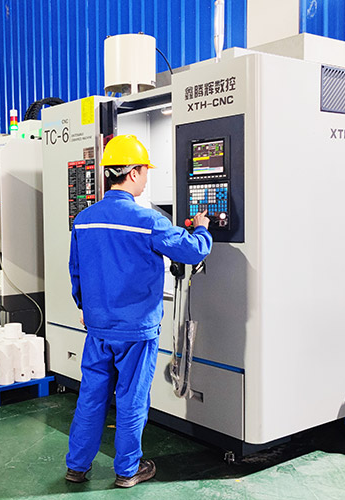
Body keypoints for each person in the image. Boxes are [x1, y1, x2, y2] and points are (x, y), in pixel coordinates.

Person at [65, 135, 212, 488]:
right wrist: (203, 228)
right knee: (132, 399)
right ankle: (127, 470)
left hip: (99, 328)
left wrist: (85, 307)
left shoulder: (84, 220)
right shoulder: (147, 221)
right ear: (133, 173)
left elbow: (76, 272)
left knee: (91, 397)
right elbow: (192, 251)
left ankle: (77, 466)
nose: (146, 178)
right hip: (136, 330)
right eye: (146, 171)